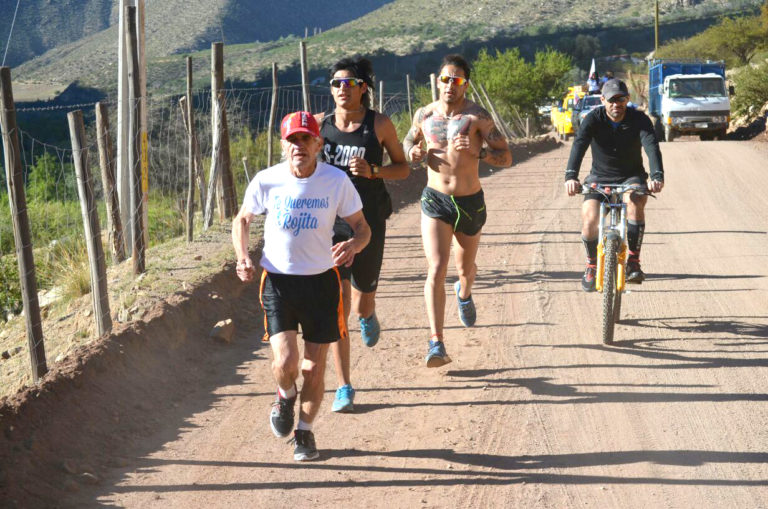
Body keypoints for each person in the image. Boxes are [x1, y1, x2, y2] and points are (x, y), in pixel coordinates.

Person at [232, 111, 370, 461]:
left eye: (305, 139)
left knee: (314, 366)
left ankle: (305, 432)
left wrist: (354, 244)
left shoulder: (336, 181)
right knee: (287, 361)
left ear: (318, 144)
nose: (299, 147)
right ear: (284, 144)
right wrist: (242, 257)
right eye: (292, 140)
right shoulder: (267, 180)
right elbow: (243, 219)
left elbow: (362, 227)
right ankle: (283, 394)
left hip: (322, 283)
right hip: (278, 282)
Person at [403, 54, 512, 367]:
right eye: (446, 78)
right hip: (435, 199)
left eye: (458, 80)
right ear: (438, 81)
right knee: (436, 267)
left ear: (466, 84)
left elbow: (506, 156)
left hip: (469, 201)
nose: (451, 85)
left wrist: (480, 152)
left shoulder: (478, 117)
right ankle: (436, 342)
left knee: (465, 270)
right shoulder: (423, 115)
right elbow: (408, 145)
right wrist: (414, 152)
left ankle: (464, 294)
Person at [314, 57, 409, 413]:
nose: (342, 89)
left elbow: (403, 169)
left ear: (363, 88)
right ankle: (344, 386)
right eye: (336, 83)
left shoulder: (379, 124)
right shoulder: (321, 127)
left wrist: (373, 171)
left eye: (349, 83)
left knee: (361, 300)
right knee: (338, 309)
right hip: (330, 226)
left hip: (368, 223)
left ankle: (369, 314)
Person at [564, 79, 664, 292]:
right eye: (611, 100)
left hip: (631, 177)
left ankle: (634, 262)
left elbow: (651, 146)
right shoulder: (593, 118)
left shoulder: (639, 119)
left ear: (628, 99)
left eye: (621, 99)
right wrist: (571, 177)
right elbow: (579, 145)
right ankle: (592, 264)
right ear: (603, 100)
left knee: (635, 202)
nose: (616, 104)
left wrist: (657, 176)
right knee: (589, 219)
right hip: (599, 178)